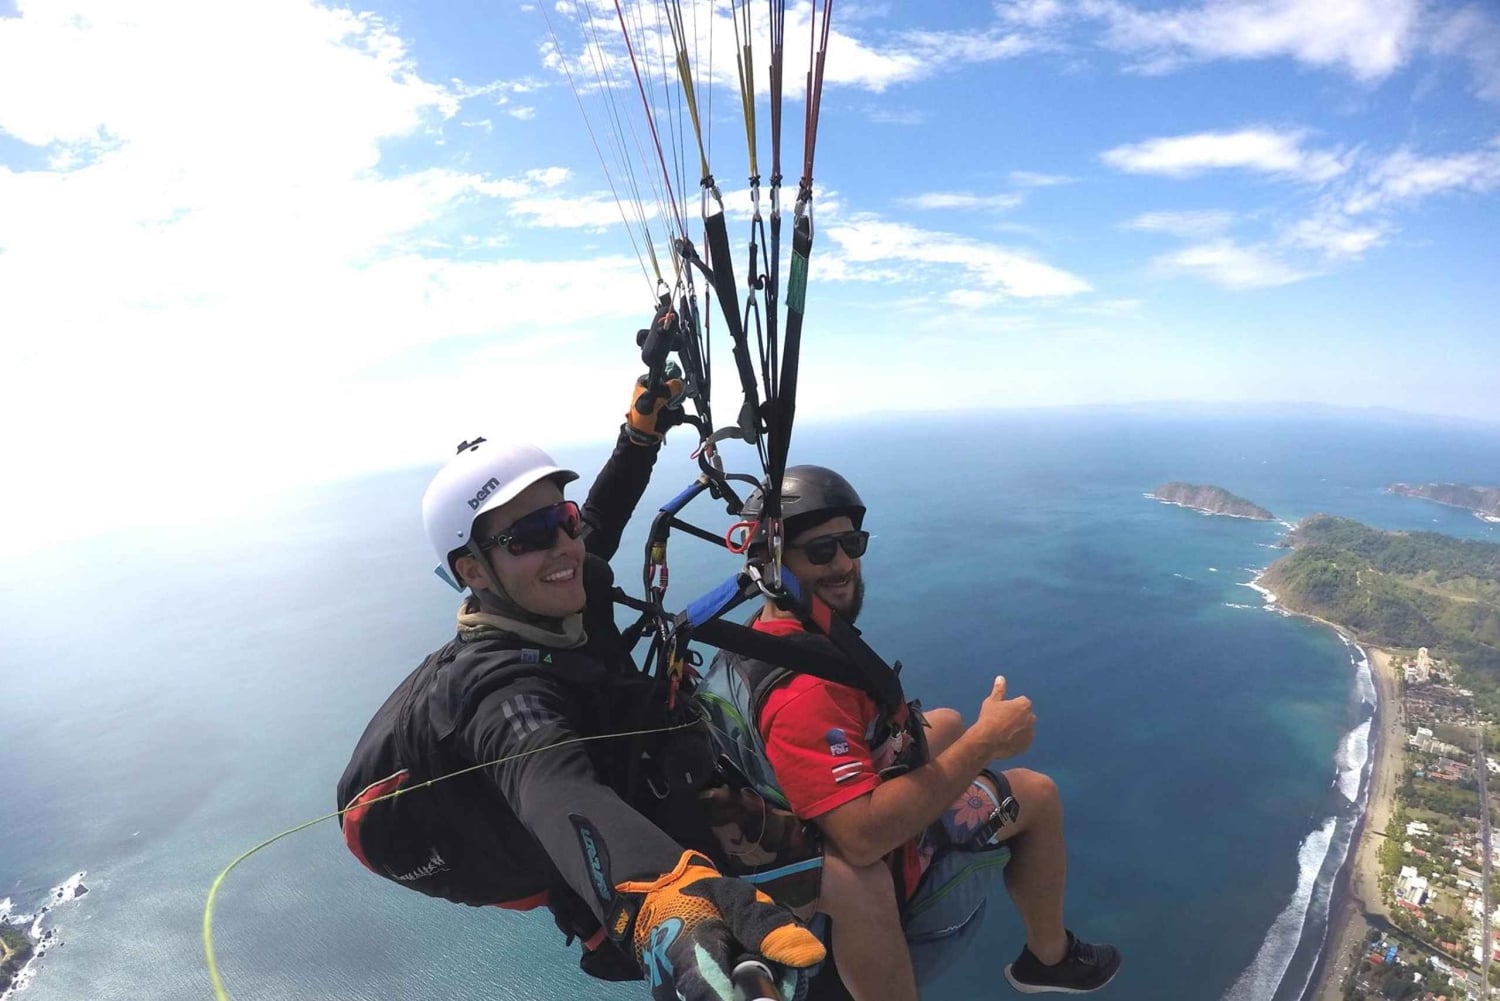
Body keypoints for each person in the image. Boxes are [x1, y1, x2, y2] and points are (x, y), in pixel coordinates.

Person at [334, 363, 825, 1001]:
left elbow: (600, 519)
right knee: (834, 891)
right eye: (532, 536)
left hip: (655, 786)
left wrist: (638, 437)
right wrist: (664, 908)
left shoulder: (557, 589)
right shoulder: (496, 691)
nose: (565, 545)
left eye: (559, 518)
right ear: (473, 572)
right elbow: (550, 782)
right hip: (625, 861)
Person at [701, 465, 1121, 998]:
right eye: (822, 552)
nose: (846, 563)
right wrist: (985, 744)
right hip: (874, 866)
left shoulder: (763, 640)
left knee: (945, 722)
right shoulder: (805, 692)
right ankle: (1050, 958)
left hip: (796, 819)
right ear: (773, 564)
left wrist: (955, 741)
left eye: (851, 544)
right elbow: (862, 836)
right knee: (1036, 794)